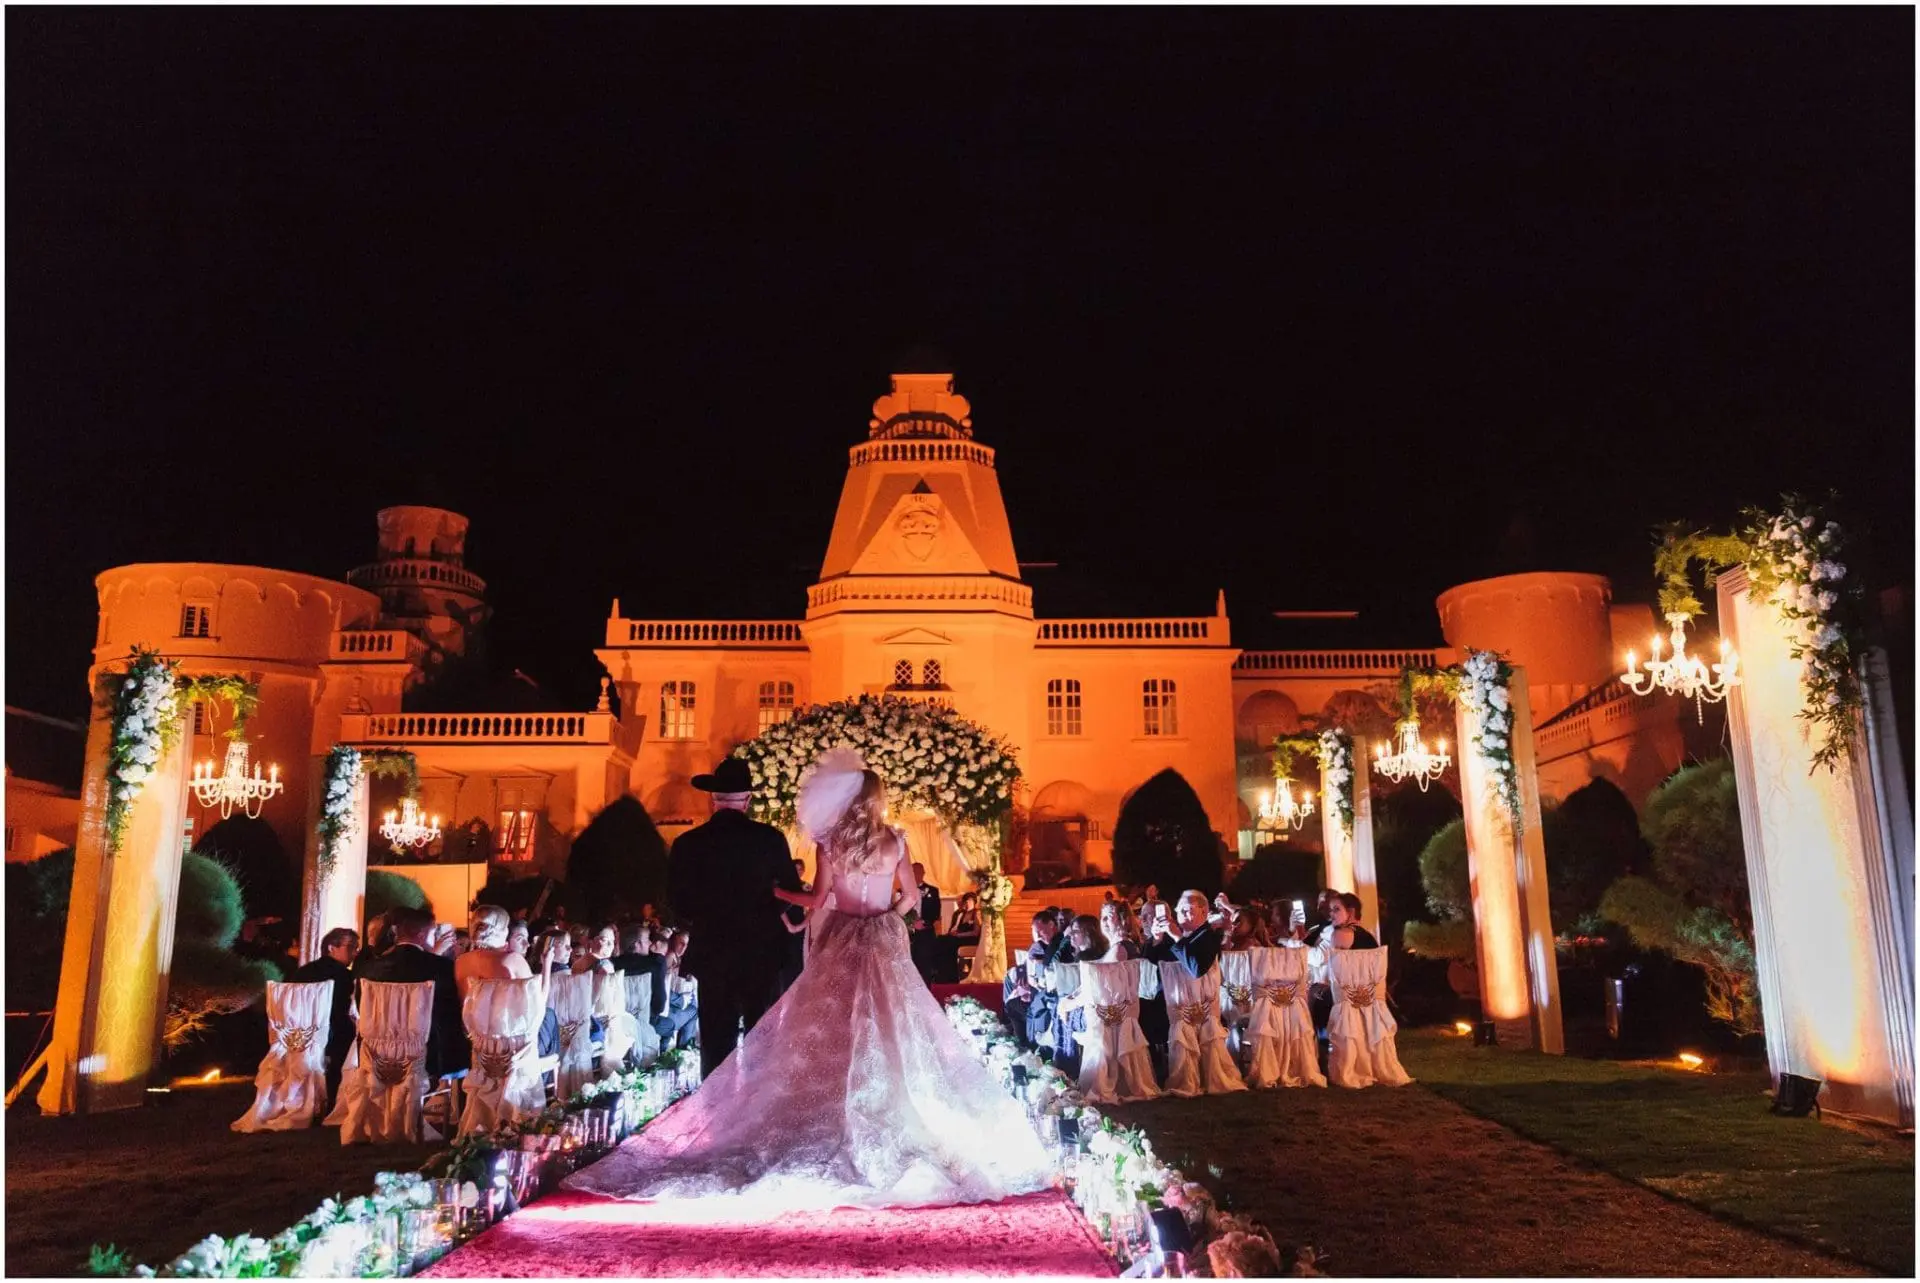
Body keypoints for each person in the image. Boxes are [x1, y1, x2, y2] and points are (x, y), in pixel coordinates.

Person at [564, 748, 1053, 1210]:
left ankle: (735, 1118)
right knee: (890, 1026)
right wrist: (888, 916)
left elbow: (813, 900)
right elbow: (911, 896)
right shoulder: (893, 841)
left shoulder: (820, 844)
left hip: (804, 942)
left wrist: (777, 893)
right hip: (869, 938)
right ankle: (885, 1109)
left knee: (818, 1029)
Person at [664, 757, 802, 1078]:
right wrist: (762, 915)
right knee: (761, 1039)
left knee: (715, 1040)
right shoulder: (770, 839)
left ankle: (717, 1112)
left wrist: (708, 917)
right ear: (748, 799)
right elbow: (790, 894)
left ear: (713, 799)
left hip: (713, 952)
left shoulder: (688, 843)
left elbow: (677, 902)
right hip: (761, 953)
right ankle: (756, 1112)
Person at [353, 907, 469, 1082]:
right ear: (422, 935)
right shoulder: (440, 967)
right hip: (427, 1056)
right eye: (433, 933)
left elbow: (361, 1005)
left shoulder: (369, 967)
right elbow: (453, 1008)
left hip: (377, 1055)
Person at [287, 927, 359, 1106]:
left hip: (301, 1034)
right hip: (335, 1034)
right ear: (331, 948)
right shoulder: (346, 976)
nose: (355, 953)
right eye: (351, 947)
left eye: (356, 948)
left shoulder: (302, 972)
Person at [454, 905, 533, 998]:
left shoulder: (461, 961)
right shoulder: (512, 960)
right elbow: (536, 1005)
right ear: (502, 931)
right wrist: (546, 964)